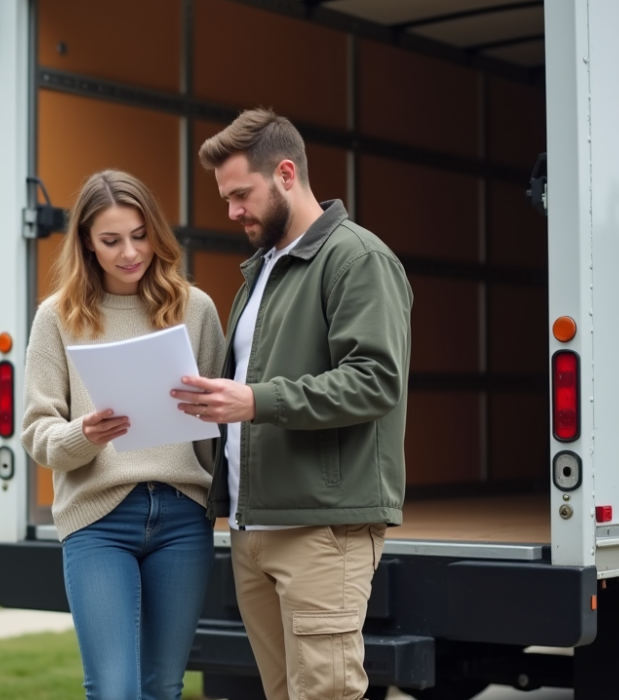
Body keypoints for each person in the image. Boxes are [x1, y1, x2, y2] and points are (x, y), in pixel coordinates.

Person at [171, 108, 413, 700]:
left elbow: (376, 380)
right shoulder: (262, 272)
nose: (232, 212)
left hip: (321, 529)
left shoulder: (358, 259)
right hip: (253, 529)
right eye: (226, 199)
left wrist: (255, 400)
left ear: (285, 174)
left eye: (241, 195)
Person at [21, 169, 227, 700]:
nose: (130, 252)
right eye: (111, 240)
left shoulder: (196, 310)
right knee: (114, 690)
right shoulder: (56, 317)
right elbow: (38, 433)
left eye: (140, 235)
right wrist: (84, 435)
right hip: (98, 520)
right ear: (87, 243)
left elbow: (222, 424)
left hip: (183, 517)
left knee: (163, 688)